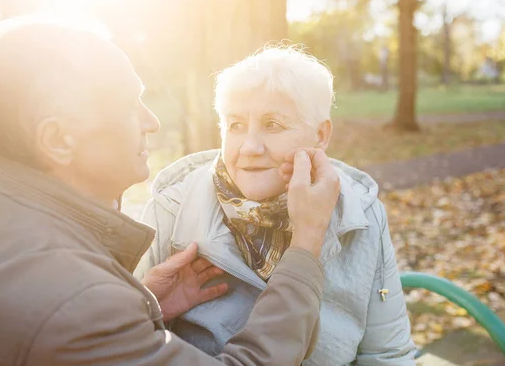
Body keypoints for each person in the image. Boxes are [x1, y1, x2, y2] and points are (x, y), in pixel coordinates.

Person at [0, 16, 342, 365]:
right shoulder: (79, 302)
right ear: (58, 139)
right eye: (129, 105)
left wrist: (144, 304)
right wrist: (306, 245)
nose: (152, 121)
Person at [135, 47, 417, 365]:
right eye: (236, 125)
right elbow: (134, 345)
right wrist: (146, 309)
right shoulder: (173, 208)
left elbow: (387, 353)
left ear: (320, 134)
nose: (251, 147)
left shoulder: (360, 211)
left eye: (273, 125)